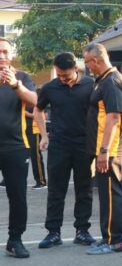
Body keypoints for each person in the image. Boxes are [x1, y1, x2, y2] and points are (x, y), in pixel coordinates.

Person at [35, 52, 96, 249]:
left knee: (84, 189)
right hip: (59, 144)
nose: (62, 79)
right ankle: (53, 233)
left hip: (84, 144)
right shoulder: (50, 87)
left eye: (66, 76)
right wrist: (44, 135)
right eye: (59, 75)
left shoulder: (91, 85)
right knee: (56, 190)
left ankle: (82, 231)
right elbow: (38, 109)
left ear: (76, 70)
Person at [83, 43, 122, 255]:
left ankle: (114, 240)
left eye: (87, 62)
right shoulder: (103, 80)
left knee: (112, 194)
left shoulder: (111, 81)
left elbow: (114, 117)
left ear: (96, 60)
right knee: (107, 193)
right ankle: (107, 237)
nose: (87, 67)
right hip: (107, 148)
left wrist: (104, 151)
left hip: (111, 149)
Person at [0, 37, 37, 258]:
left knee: (18, 196)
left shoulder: (22, 77)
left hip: (15, 146)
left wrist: (15, 85)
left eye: (5, 52)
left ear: (11, 54)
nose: (1, 56)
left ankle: (15, 239)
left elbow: (34, 101)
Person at [26, 105, 47, 189]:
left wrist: (27, 114)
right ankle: (7, 180)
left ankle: (41, 181)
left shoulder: (34, 98)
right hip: (25, 129)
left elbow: (42, 115)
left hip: (35, 130)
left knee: (36, 156)